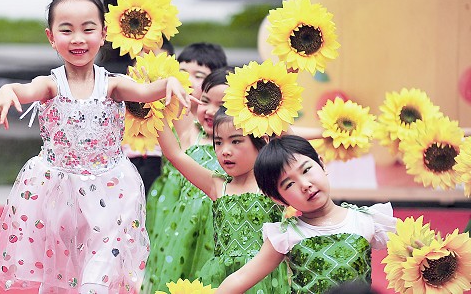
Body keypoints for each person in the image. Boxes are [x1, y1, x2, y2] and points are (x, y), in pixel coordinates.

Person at [0, 0, 191, 293]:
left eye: (88, 29)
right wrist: (6, 91)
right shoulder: (50, 85)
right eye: (66, 30)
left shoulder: (113, 85)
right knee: (62, 280)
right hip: (60, 197)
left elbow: (148, 92)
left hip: (112, 193)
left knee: (95, 282)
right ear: (51, 37)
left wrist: (171, 81)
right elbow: (22, 90)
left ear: (104, 33)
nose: (78, 39)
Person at [216, 135, 395, 293]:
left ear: (321, 163)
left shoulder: (366, 220)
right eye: (289, 184)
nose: (305, 185)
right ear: (277, 198)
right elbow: (240, 278)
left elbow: (410, 255)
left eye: (306, 170)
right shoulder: (286, 234)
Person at [158, 107, 289, 293]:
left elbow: (290, 143)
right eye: (218, 142)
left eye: (236, 141)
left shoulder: (274, 185)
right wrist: (150, 109)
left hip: (265, 280)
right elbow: (175, 154)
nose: (225, 151)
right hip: (221, 280)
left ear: (263, 140)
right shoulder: (217, 185)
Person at [141, 67, 229, 294]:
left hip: (221, 230)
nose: (210, 111)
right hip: (184, 226)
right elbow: (158, 106)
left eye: (222, 105)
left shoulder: (244, 148)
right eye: (205, 101)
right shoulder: (191, 132)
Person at [145, 42, 227, 236]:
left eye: (198, 75)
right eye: (182, 72)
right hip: (171, 202)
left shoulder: (208, 125)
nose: (187, 80)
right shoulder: (178, 116)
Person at [123, 36, 176, 195]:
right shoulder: (118, 102)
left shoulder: (175, 108)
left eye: (156, 66)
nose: (147, 73)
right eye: (142, 63)